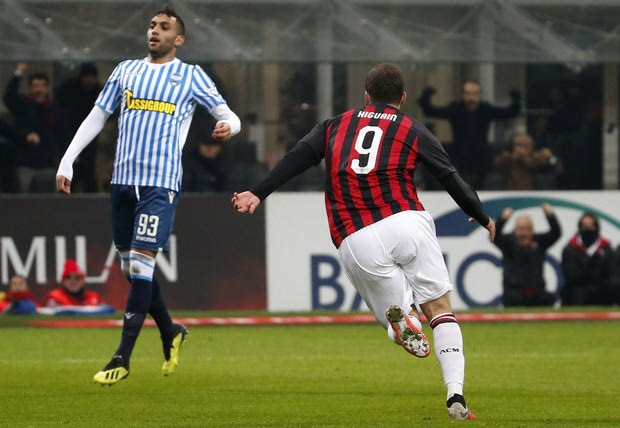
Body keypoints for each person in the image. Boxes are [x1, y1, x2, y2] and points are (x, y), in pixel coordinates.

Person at [232, 63, 495, 420]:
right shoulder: (411, 128)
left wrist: (258, 192)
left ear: (366, 96)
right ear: (403, 98)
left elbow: (297, 158)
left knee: (396, 324)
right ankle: (455, 394)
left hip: (355, 237)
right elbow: (449, 176)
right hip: (406, 222)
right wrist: (481, 215)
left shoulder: (334, 125)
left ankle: (403, 322)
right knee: (440, 307)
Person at [55, 7, 241, 385]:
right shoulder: (126, 71)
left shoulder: (190, 76)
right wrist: (67, 161)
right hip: (122, 182)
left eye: (164, 27)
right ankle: (170, 330)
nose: (155, 31)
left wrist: (228, 126)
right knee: (130, 269)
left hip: (160, 184)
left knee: (141, 266)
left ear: (179, 39)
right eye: (152, 25)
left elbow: (230, 115)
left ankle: (122, 356)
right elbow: (97, 116)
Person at [418, 81, 521, 188]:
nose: (471, 97)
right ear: (463, 95)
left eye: (475, 93)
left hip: (481, 159)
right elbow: (431, 111)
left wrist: (516, 100)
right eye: (468, 93)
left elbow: (510, 112)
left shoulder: (485, 109)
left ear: (479, 95)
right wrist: (426, 97)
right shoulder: (456, 109)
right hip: (459, 156)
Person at [3, 63, 65, 192]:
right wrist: (18, 74)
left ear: (47, 88)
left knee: (49, 197)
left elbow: (62, 133)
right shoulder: (23, 104)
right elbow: (8, 97)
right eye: (35, 86)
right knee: (23, 196)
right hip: (25, 164)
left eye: (42, 86)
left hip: (47, 165)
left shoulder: (53, 109)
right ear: (31, 88)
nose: (39, 90)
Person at [493, 204, 560, 306]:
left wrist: (551, 216)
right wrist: (502, 219)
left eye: (528, 229)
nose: (524, 233)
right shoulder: (508, 243)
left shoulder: (539, 241)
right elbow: (494, 235)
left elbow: (556, 233)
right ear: (515, 229)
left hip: (537, 294)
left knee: (549, 298)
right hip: (514, 295)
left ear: (532, 229)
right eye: (521, 228)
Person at [56, 63, 102, 193]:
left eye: (92, 77)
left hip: (90, 139)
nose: (89, 81)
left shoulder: (98, 91)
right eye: (87, 77)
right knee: (71, 172)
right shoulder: (69, 90)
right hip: (69, 134)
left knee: (88, 171)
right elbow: (62, 117)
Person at [561, 213, 614, 305]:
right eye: (584, 226)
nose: (588, 230)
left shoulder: (606, 248)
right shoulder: (570, 249)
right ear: (580, 227)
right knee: (577, 292)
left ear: (597, 228)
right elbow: (571, 276)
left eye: (592, 226)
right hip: (578, 290)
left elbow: (610, 273)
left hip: (600, 288)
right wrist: (592, 263)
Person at [493, 133, 562, 190]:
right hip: (510, 195)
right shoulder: (507, 159)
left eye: (525, 146)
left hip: (534, 195)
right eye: (518, 145)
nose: (521, 149)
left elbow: (557, 167)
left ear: (531, 147)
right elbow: (496, 164)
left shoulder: (537, 158)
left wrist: (551, 158)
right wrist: (511, 158)